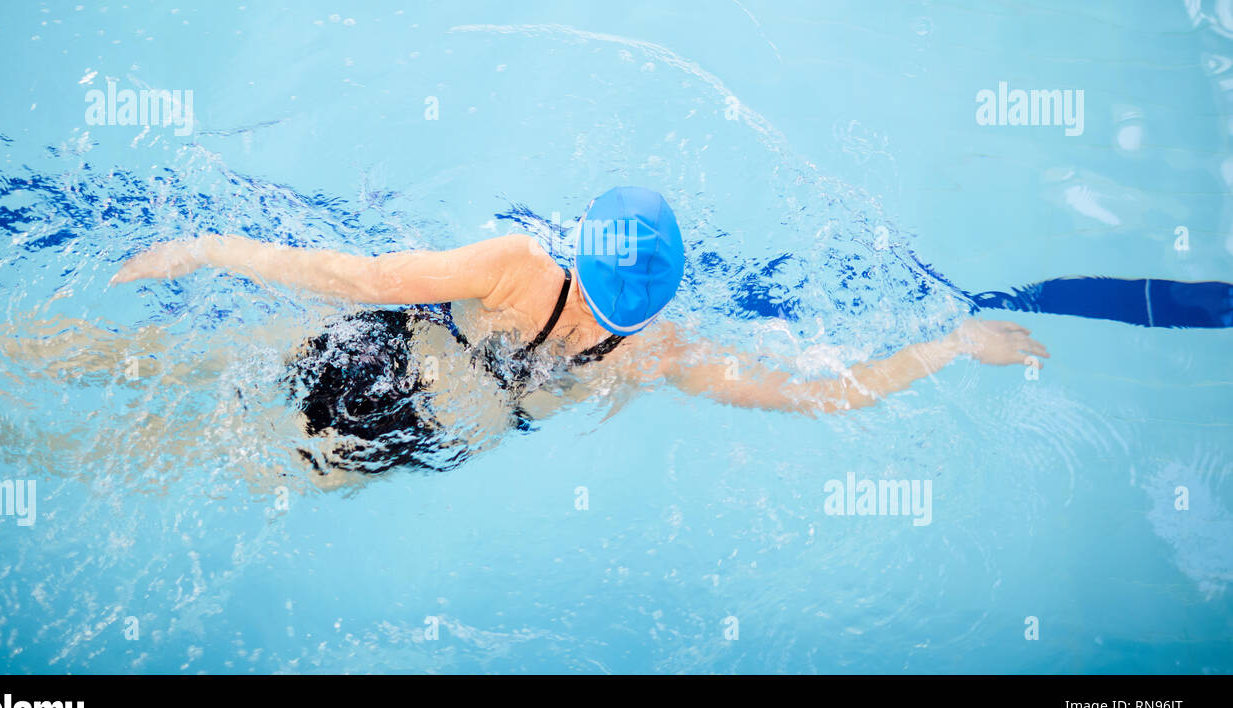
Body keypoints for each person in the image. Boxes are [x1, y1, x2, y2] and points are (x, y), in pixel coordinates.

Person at [110, 186, 1048, 475]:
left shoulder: (516, 264)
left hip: (376, 350)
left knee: (153, 365)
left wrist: (201, 246)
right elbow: (810, 394)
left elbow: (355, 275)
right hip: (424, 432)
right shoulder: (659, 353)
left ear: (584, 245)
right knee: (188, 458)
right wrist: (953, 344)